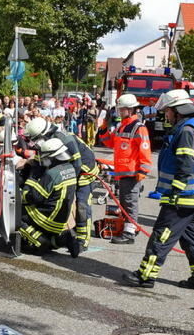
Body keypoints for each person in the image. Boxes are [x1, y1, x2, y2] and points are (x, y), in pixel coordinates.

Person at [124, 91, 194, 290]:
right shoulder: (188, 127)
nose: (166, 114)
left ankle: (145, 275)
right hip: (193, 195)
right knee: (191, 237)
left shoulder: (186, 131)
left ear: (177, 110)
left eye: (167, 110)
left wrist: (175, 192)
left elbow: (186, 165)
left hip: (184, 195)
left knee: (161, 234)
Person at [25, 114, 98, 252]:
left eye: (35, 139)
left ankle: (83, 240)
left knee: (81, 204)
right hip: (73, 167)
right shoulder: (50, 138)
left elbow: (76, 164)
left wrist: (70, 184)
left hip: (85, 170)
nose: (34, 143)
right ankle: (71, 232)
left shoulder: (64, 139)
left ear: (43, 134)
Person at [97, 93, 151, 245]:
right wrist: (103, 130)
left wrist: (143, 170)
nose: (119, 112)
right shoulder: (122, 126)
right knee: (125, 202)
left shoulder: (138, 127)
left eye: (122, 110)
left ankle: (129, 233)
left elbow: (145, 150)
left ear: (131, 109)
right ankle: (130, 228)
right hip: (122, 172)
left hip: (132, 172)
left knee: (129, 203)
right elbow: (111, 143)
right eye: (119, 110)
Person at [18, 138, 79, 256]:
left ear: (52, 156)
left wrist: (32, 178)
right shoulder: (70, 168)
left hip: (47, 219)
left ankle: (40, 241)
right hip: (60, 221)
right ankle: (63, 239)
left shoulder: (52, 174)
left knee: (15, 213)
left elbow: (34, 198)